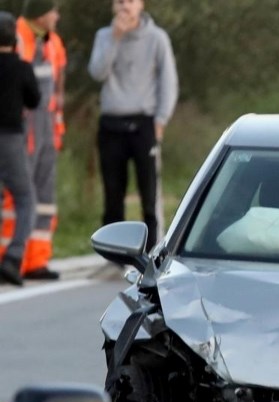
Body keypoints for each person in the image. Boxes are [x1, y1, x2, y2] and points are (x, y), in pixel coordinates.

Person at [88, 0, 178, 247]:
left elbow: (168, 82)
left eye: (130, 1)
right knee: (113, 192)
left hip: (143, 123)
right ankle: (113, 252)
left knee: (149, 192)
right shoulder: (104, 36)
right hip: (111, 122)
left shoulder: (156, 38)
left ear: (141, 5)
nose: (124, 6)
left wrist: (161, 119)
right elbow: (97, 72)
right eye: (119, 1)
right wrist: (115, 38)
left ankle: (151, 251)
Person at [1, 0, 66, 281]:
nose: (57, 15)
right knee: (20, 194)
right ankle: (11, 257)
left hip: (47, 127)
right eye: (53, 10)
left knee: (43, 194)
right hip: (22, 129)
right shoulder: (18, 37)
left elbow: (59, 80)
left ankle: (35, 259)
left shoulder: (53, 42)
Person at [0, 11, 39, 286]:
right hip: (11, 139)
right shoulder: (22, 67)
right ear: (14, 38)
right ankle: (13, 257)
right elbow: (34, 99)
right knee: (25, 198)